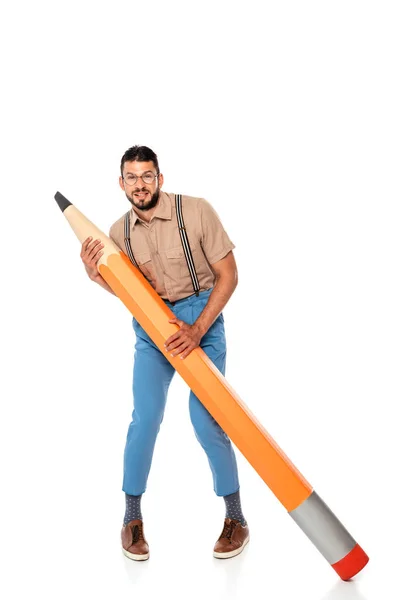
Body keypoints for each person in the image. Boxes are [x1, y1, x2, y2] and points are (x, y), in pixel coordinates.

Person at [80, 145, 249, 561]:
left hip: (200, 317)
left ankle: (236, 518)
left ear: (160, 178)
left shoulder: (197, 211)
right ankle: (132, 518)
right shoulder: (116, 233)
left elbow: (229, 275)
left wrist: (197, 329)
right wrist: (94, 275)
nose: (140, 185)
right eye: (132, 178)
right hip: (151, 324)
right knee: (146, 417)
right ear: (122, 183)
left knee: (206, 418)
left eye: (147, 176)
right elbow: (127, 292)